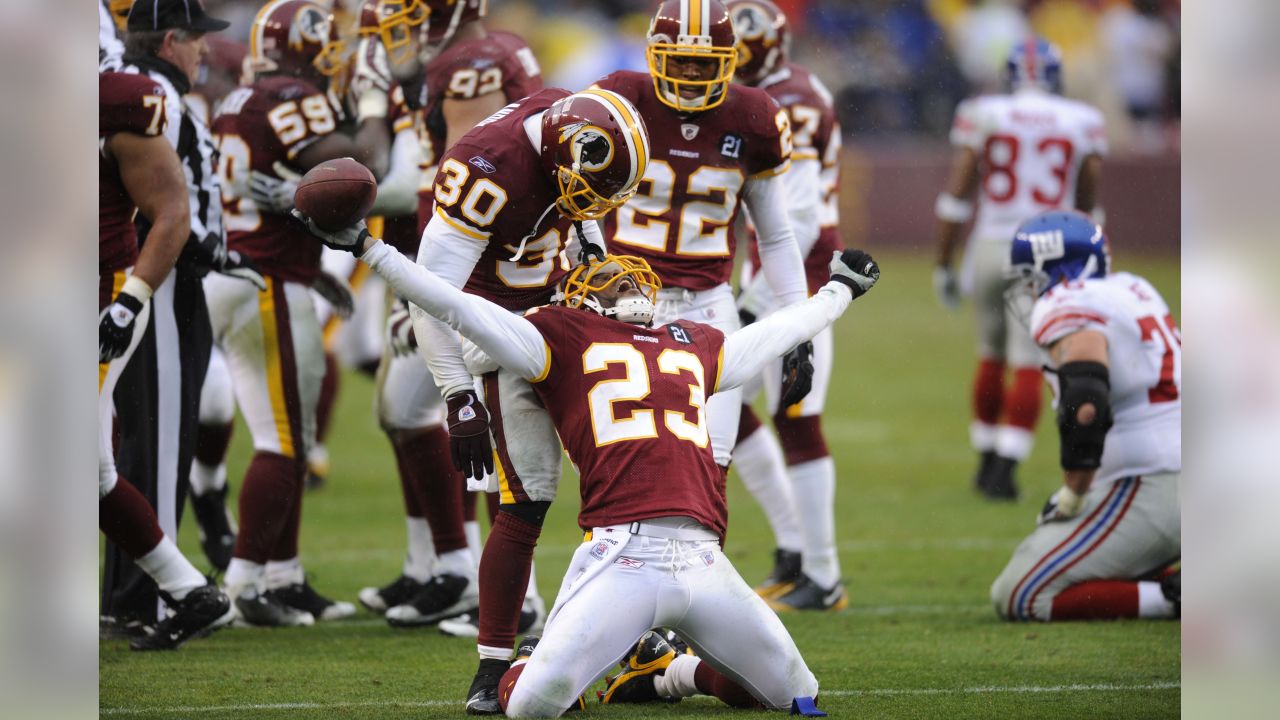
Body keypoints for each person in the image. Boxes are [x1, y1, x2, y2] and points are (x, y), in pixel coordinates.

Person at [292, 215, 879, 717]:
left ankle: (668, 674)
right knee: (530, 705)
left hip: (705, 559)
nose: (626, 282)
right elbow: (455, 305)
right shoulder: (558, 335)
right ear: (579, 297)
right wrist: (368, 248)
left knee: (793, 697)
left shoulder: (694, 341)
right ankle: (533, 654)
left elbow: (774, 333)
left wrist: (839, 292)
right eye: (609, 279)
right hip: (622, 556)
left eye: (629, 277)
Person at [348, 0, 547, 631]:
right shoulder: (491, 54)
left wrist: (377, 114)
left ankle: (514, 598)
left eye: (410, 13)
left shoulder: (473, 64)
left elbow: (459, 182)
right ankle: (450, 566)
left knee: (495, 439)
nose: (398, 32)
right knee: (407, 412)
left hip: (476, 278)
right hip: (455, 268)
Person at [207, 0, 383, 627]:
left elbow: (281, 187)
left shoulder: (239, 99)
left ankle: (281, 577)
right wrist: (372, 107)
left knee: (287, 436)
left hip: (252, 273)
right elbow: (363, 171)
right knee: (284, 444)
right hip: (266, 284)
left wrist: (312, 267)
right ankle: (243, 585)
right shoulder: (291, 96)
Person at [593, 0, 812, 493]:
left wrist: (799, 327)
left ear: (729, 62)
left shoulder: (753, 116)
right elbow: (570, 204)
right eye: (679, 62)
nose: (691, 75)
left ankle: (700, 567)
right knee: (623, 465)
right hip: (622, 304)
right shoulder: (620, 99)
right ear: (654, 56)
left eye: (705, 64)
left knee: (711, 465)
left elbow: (775, 235)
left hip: (709, 308)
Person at [99, 0, 262, 633]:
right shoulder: (149, 98)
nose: (204, 52)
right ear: (170, 40)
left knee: (123, 449)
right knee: (159, 442)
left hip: (143, 278)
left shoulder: (142, 94)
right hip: (152, 282)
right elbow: (165, 209)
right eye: (197, 40)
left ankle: (143, 591)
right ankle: (155, 596)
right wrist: (202, 254)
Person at [932, 38, 1107, 499]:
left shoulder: (985, 111)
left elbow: (957, 196)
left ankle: (987, 458)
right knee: (1029, 359)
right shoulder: (1081, 120)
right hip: (1047, 247)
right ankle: (1005, 468)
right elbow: (1087, 194)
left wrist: (943, 263)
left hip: (992, 244)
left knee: (990, 351)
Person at [989, 210, 1180, 621]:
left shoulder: (1069, 301)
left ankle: (1175, 599)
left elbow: (1087, 400)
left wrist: (1074, 493)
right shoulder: (1133, 287)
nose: (1028, 289)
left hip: (1153, 480)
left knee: (1021, 592)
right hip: (1174, 471)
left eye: (1033, 277)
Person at [725, 0, 849, 611]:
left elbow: (795, 217)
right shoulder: (782, 89)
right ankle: (796, 550)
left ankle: (822, 576)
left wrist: (756, 302)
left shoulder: (788, 101)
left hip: (804, 279)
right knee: (725, 402)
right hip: (777, 273)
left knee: (797, 417)